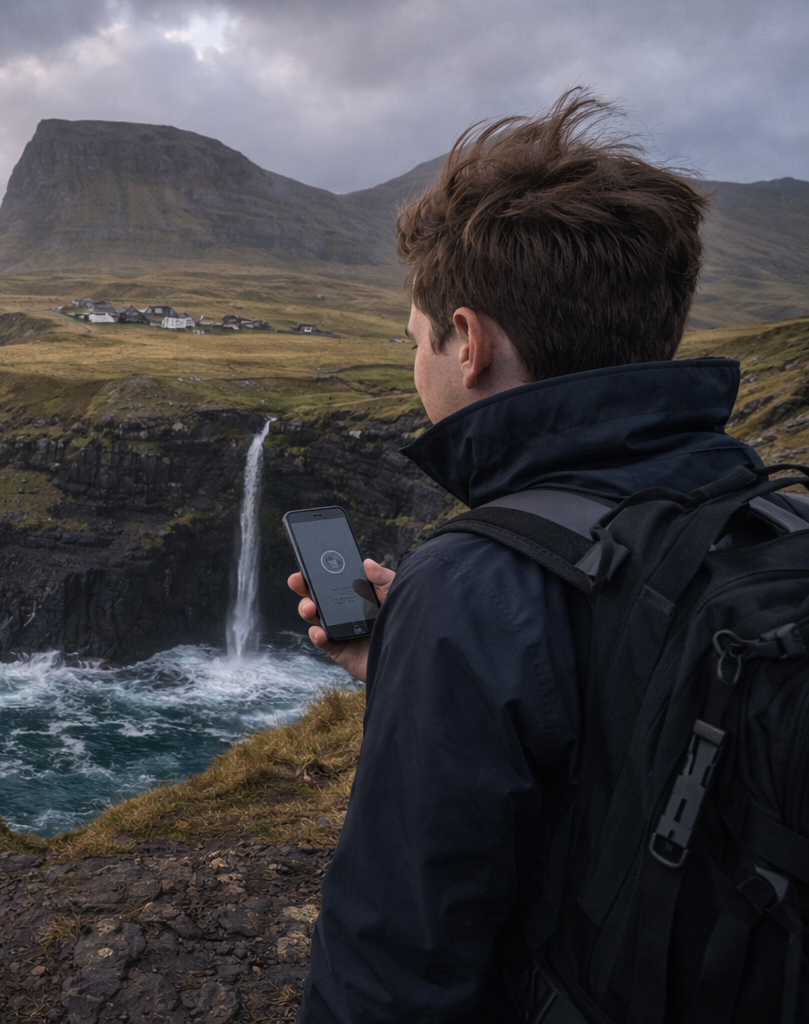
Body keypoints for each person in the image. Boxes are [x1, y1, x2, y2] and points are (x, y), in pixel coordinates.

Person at [289, 89, 758, 1021]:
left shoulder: (472, 583)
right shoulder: (763, 512)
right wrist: (416, 672)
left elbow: (395, 959)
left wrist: (452, 651)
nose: (415, 361)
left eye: (416, 338)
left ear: (468, 342)